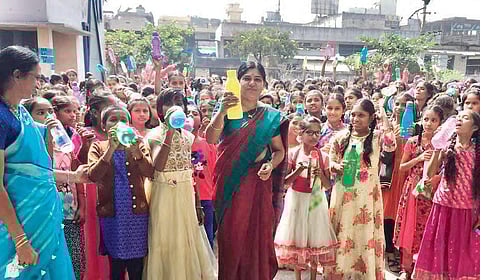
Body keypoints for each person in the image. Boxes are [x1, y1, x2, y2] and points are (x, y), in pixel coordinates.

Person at [0, 45, 87, 279]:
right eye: (35, 77)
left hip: (46, 218)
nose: (38, 83)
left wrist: (75, 177)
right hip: (20, 225)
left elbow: (37, 172)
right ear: (16, 75)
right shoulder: (1, 118)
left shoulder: (20, 112)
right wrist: (20, 240)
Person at [205, 61, 289, 280]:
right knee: (232, 236)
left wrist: (270, 165)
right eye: (247, 78)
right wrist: (221, 111)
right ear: (238, 82)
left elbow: (279, 150)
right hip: (230, 184)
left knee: (257, 235)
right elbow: (210, 139)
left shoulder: (269, 115)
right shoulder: (227, 109)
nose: (252, 83)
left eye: (257, 79)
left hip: (258, 183)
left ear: (264, 85)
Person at [143, 88, 216, 280]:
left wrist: (198, 202)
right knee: (165, 239)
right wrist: (169, 132)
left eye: (179, 102)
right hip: (164, 193)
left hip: (186, 193)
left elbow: (194, 171)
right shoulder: (153, 135)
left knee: (187, 239)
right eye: (170, 102)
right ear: (160, 109)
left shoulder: (189, 137)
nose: (175, 106)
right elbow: (158, 166)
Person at [327, 99, 396, 279]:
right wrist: (335, 166)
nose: (356, 119)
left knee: (364, 234)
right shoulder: (340, 137)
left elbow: (391, 144)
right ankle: (339, 272)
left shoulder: (377, 138)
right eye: (353, 114)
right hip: (343, 193)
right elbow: (329, 160)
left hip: (367, 196)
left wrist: (383, 114)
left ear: (371, 117)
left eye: (361, 115)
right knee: (342, 230)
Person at [88, 105, 153, 280]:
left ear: (129, 124)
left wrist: (136, 151)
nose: (118, 124)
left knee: (136, 264)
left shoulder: (137, 144)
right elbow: (93, 176)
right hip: (112, 214)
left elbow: (150, 172)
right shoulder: (98, 147)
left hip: (136, 214)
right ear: (104, 126)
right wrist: (110, 149)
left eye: (123, 120)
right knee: (116, 264)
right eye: (113, 120)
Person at [414, 110, 480, 279]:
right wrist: (437, 149)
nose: (459, 120)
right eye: (458, 117)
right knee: (439, 249)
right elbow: (429, 174)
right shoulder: (447, 147)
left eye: (465, 118)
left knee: (462, 252)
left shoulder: (477, 152)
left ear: (474, 127)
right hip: (443, 206)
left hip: (466, 208)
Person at [274, 116, 337, 280]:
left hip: (315, 201)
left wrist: (320, 174)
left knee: (314, 239)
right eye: (309, 132)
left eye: (317, 133)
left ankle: (314, 276)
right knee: (298, 238)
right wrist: (297, 171)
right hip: (296, 200)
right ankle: (298, 276)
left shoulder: (323, 157)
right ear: (300, 134)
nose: (314, 136)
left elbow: (328, 185)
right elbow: (285, 182)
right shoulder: (293, 154)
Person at [393, 106, 443, 279]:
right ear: (421, 120)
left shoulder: (441, 145)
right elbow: (401, 167)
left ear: (440, 123)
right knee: (409, 227)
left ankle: (421, 267)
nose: (429, 124)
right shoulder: (413, 141)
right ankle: (405, 267)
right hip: (412, 188)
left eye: (434, 120)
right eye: (426, 119)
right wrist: (419, 158)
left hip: (431, 191)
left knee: (426, 227)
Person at [189, 105, 218, 249]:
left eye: (194, 113)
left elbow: (214, 169)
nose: (190, 115)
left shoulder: (208, 143)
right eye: (186, 112)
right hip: (184, 196)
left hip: (205, 197)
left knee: (206, 236)